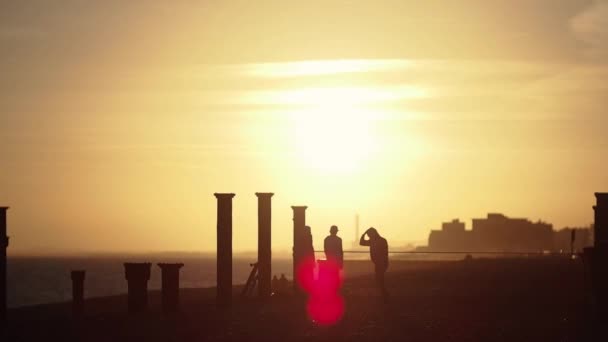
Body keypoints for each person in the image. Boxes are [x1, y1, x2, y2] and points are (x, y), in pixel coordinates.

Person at [360, 227, 389, 300]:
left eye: (369, 235)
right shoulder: (380, 240)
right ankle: (383, 293)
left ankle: (384, 294)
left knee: (379, 279)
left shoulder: (376, 241)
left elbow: (361, 242)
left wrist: (363, 234)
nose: (369, 236)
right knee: (379, 279)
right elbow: (362, 243)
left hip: (381, 263)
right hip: (380, 263)